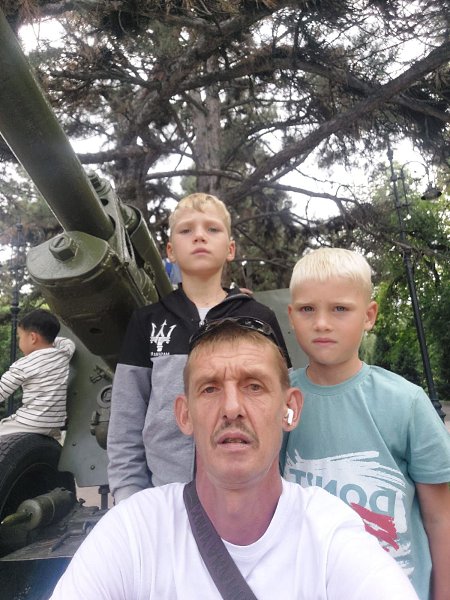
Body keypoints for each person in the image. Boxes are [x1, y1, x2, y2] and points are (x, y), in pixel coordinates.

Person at [51, 317, 417, 599]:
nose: (231, 408)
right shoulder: (133, 533)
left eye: (254, 386)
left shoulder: (330, 536)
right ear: (184, 415)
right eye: (210, 389)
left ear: (289, 408)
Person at [282, 247, 450, 600]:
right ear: (291, 316)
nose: (322, 322)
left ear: (369, 315)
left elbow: (440, 518)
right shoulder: (276, 400)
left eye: (340, 309)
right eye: (308, 309)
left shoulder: (407, 403)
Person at [107, 192, 290, 504]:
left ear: (230, 249)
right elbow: (127, 418)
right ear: (170, 251)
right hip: (164, 497)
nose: (199, 236)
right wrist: (129, 496)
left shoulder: (260, 318)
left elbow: (281, 406)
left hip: (250, 498)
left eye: (212, 229)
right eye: (186, 230)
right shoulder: (147, 321)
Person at [0, 308, 75, 439]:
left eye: (20, 337)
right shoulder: (63, 353)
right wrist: (49, 339)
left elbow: (2, 390)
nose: (19, 341)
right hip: (54, 424)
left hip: (30, 422)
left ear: (33, 338)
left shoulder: (24, 364)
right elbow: (68, 342)